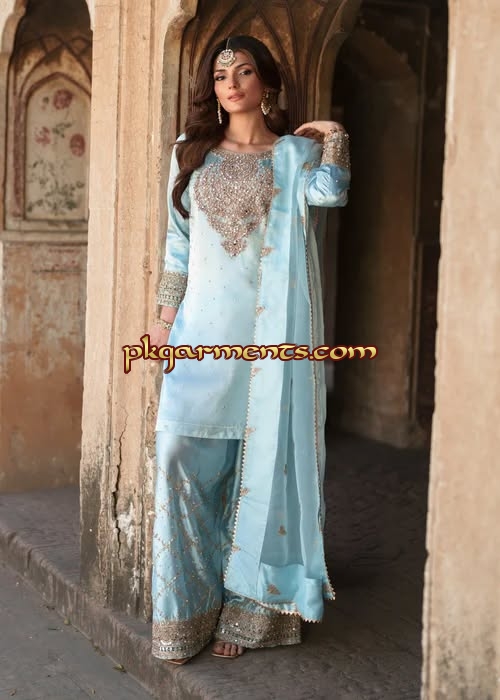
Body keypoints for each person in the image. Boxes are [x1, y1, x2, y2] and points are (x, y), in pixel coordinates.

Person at [149, 35, 350, 664]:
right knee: (180, 457)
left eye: (242, 72)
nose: (231, 84)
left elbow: (330, 194)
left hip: (269, 344)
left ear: (266, 82)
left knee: (259, 470)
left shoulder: (293, 156)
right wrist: (164, 320)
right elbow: (178, 241)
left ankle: (248, 611)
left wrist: (333, 137)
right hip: (200, 338)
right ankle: (185, 612)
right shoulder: (190, 152)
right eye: (220, 76)